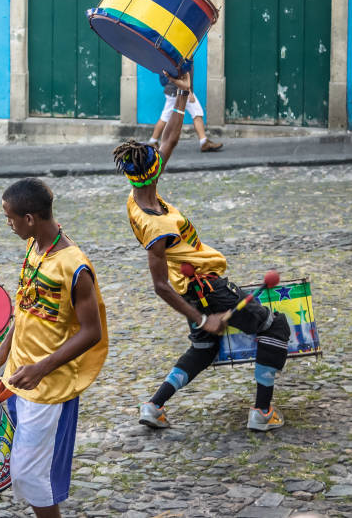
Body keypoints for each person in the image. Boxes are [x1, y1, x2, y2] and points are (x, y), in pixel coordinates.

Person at [113, 70, 290, 432]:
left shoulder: (137, 194)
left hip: (195, 286)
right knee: (276, 328)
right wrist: (199, 316)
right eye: (155, 154)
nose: (159, 149)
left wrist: (182, 95)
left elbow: (172, 139)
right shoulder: (157, 227)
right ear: (152, 171)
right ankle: (262, 412)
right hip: (206, 288)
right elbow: (159, 286)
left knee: (205, 349)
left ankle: (154, 405)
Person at [0, 178, 108, 518]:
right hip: (19, 376)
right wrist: (5, 349)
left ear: (30, 218)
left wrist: (41, 368)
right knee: (24, 470)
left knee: (32, 475)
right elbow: (25, 306)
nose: (7, 224)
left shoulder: (74, 266)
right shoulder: (35, 247)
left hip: (48, 387)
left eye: (10, 218)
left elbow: (91, 333)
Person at [149, 65, 223, 152]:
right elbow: (181, 75)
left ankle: (153, 141)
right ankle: (204, 142)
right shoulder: (183, 55)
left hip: (175, 90)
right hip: (179, 90)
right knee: (195, 113)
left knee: (193, 113)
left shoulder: (180, 54)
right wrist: (189, 92)